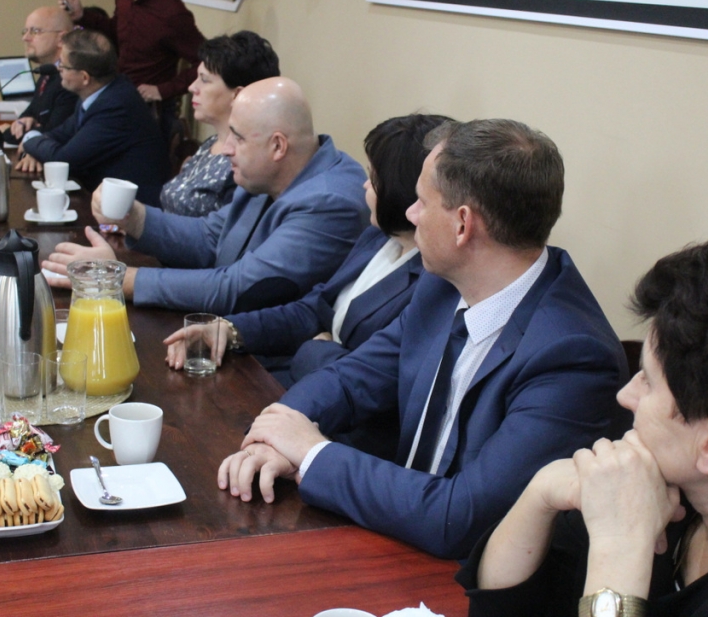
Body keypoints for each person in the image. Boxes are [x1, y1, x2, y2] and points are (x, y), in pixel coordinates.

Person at [221, 119, 630, 559]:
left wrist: (312, 453)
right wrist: (275, 434)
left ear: (462, 225)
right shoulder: (442, 286)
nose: (411, 214)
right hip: (396, 531)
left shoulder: (572, 357)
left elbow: (462, 518)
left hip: (464, 574)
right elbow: (352, 377)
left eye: (421, 201)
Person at [458, 238, 708, 616]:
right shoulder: (672, 478)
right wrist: (541, 494)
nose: (626, 395)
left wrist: (620, 548)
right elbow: (500, 607)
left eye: (648, 382)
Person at [165, 113, 449, 393]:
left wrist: (313, 352)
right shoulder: (377, 237)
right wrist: (229, 329)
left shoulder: (432, 276)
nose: (365, 184)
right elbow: (313, 309)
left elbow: (376, 380)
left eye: (374, 178)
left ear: (402, 190)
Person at [42, 77, 368, 315]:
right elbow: (211, 238)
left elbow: (237, 288)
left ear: (278, 146)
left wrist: (116, 279)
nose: (226, 150)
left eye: (238, 138)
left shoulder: (329, 202)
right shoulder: (270, 173)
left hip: (270, 363)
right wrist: (135, 217)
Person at [56, 0, 205, 138]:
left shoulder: (171, 13)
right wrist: (82, 16)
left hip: (148, 113)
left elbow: (207, 61)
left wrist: (162, 90)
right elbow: (117, 34)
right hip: (120, 95)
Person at [18, 29, 169, 205]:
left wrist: (29, 139)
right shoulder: (99, 92)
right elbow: (60, 134)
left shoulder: (115, 106)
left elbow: (62, 160)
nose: (58, 69)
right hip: (101, 199)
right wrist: (36, 149)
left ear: (84, 77)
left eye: (64, 65)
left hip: (129, 211)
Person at [160, 30, 280, 217]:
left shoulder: (248, 165)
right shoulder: (210, 143)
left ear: (238, 95)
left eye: (204, 80)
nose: (192, 87)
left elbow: (222, 232)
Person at [0, 6, 78, 145]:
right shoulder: (47, 73)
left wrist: (6, 131)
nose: (25, 38)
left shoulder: (70, 79)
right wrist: (25, 121)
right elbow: (30, 113)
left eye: (35, 31)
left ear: (61, 38)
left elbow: (53, 134)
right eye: (25, 31)